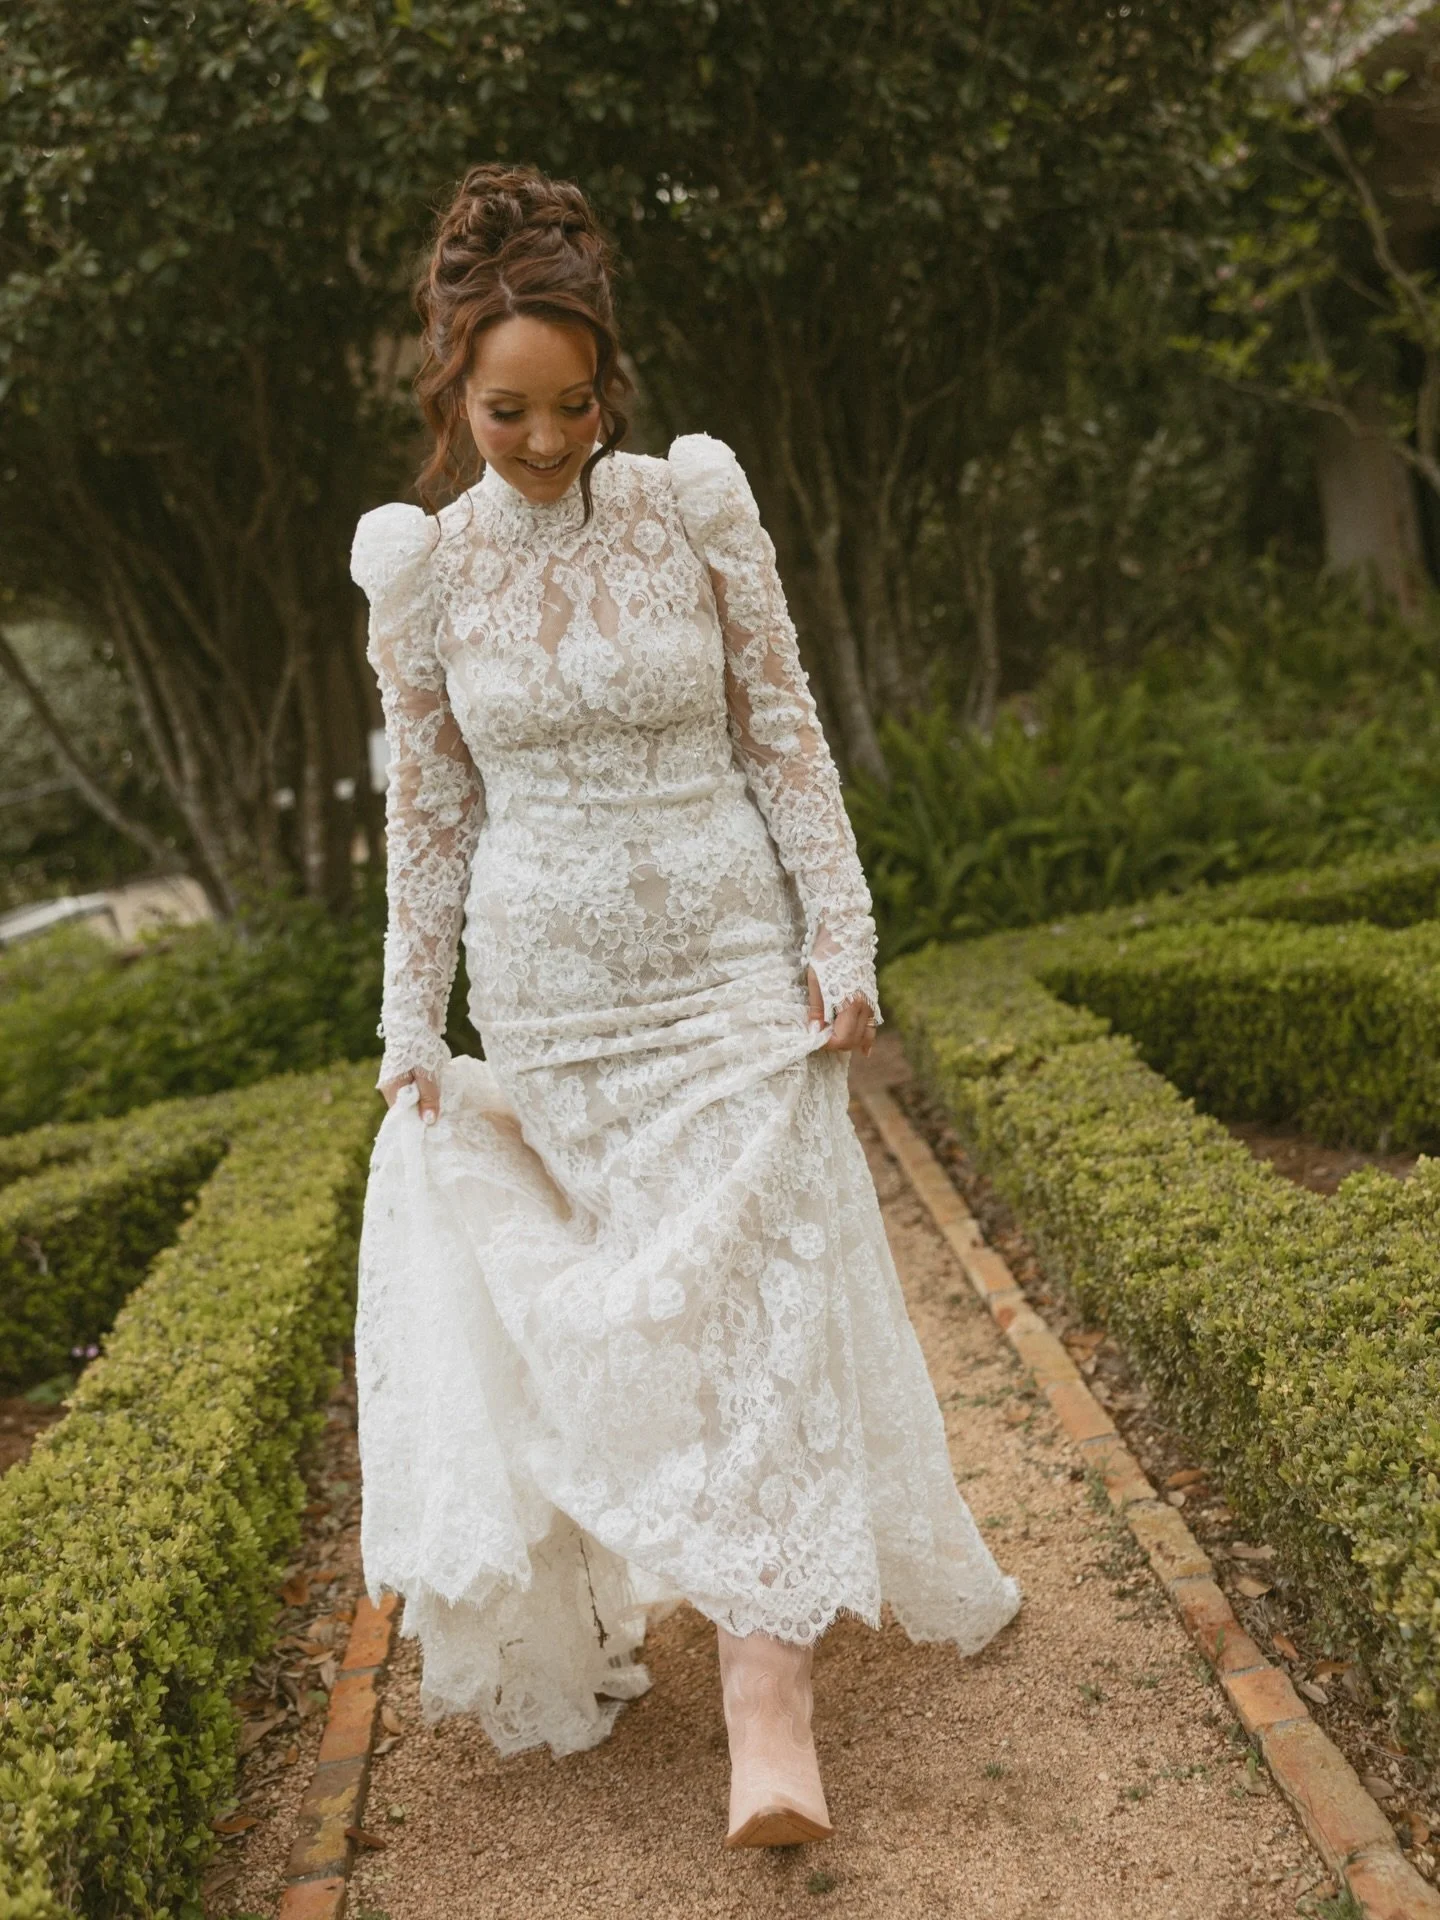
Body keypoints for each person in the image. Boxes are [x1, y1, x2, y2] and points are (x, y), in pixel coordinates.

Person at [349, 161, 1020, 1851]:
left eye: (574, 404)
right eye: (508, 410)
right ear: (453, 391)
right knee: (644, 1325)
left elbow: (780, 726)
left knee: (765, 1301)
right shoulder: (425, 573)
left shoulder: (690, 508)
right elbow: (432, 813)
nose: (547, 438)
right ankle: (686, 1591)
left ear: (610, 386)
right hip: (558, 1002)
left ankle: (766, 1708)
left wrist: (842, 934)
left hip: (729, 967)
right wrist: (412, 1022)